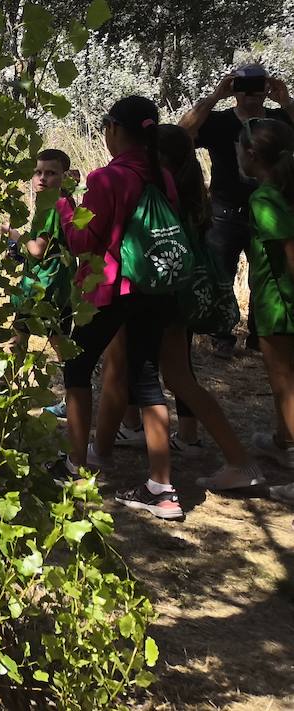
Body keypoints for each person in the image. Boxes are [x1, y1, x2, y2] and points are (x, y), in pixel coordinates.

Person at [106, 125, 264, 493]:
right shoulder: (189, 192)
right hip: (179, 298)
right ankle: (239, 460)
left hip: (160, 298)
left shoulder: (160, 195)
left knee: (138, 377)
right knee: (179, 379)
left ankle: (104, 460)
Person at [57, 96, 185, 520]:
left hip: (112, 288)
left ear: (114, 129)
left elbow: (82, 241)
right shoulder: (162, 176)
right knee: (146, 379)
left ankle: (76, 467)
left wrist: (65, 204)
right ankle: (162, 488)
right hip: (154, 287)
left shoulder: (107, 178)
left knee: (77, 367)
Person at [180, 63, 294, 357]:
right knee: (221, 276)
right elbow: (182, 133)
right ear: (234, 90)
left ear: (267, 88)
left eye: (258, 87)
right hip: (225, 212)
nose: (251, 95)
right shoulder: (220, 121)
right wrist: (214, 97)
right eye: (244, 88)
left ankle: (260, 337)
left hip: (271, 212)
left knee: (267, 275)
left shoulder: (279, 120)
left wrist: (286, 101)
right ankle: (221, 335)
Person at [235, 117, 294, 498]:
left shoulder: (264, 198)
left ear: (252, 154)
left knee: (284, 384)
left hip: (280, 303)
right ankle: (283, 441)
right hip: (277, 300)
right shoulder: (283, 190)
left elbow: (289, 250)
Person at [5, 149, 75, 358]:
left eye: (51, 173)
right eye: (38, 172)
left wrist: (15, 235)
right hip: (56, 284)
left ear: (64, 176)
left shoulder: (51, 208)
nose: (42, 178)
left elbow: (38, 250)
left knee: (29, 336)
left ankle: (74, 377)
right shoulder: (62, 201)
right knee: (47, 336)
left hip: (43, 286)